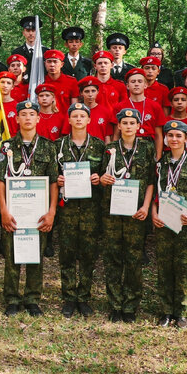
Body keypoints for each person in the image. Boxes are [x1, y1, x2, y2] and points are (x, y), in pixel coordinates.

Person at [0, 99, 59, 316]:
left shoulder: (49, 147)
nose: (28, 118)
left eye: (32, 114)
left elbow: (53, 181)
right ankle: (12, 299)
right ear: (17, 118)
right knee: (12, 255)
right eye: (24, 114)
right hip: (14, 211)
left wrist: (52, 212)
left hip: (38, 213)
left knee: (35, 255)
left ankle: (32, 298)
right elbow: (1, 179)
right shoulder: (7, 146)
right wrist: (3, 210)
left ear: (38, 118)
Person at [100, 107, 156, 322]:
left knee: (133, 258)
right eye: (124, 123)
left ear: (138, 126)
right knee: (113, 257)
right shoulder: (110, 149)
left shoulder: (147, 148)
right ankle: (115, 304)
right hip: (112, 212)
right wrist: (103, 179)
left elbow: (152, 180)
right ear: (119, 126)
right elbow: (101, 175)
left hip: (136, 212)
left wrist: (145, 207)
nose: (128, 127)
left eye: (132, 123)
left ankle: (130, 305)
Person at [150, 120, 187, 328]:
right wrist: (153, 214)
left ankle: (181, 311)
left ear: (186, 139)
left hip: (185, 224)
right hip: (163, 223)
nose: (174, 139)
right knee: (164, 267)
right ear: (165, 139)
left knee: (183, 267)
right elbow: (152, 190)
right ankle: (165, 311)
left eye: (178, 136)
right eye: (170, 136)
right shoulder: (159, 163)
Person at [55, 103, 107, 317]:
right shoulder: (58, 146)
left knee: (88, 252)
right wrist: (56, 180)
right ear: (69, 120)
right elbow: (51, 174)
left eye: (82, 116)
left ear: (89, 120)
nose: (78, 119)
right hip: (66, 207)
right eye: (74, 115)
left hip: (90, 208)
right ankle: (68, 297)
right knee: (66, 253)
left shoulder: (99, 146)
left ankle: (84, 296)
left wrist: (99, 178)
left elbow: (106, 174)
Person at [119, 68, 164, 156]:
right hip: (126, 146)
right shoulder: (120, 106)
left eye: (140, 81)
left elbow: (159, 135)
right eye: (133, 82)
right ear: (127, 86)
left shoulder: (155, 106)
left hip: (149, 147)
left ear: (145, 85)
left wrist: (158, 157)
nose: (136, 84)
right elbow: (116, 133)